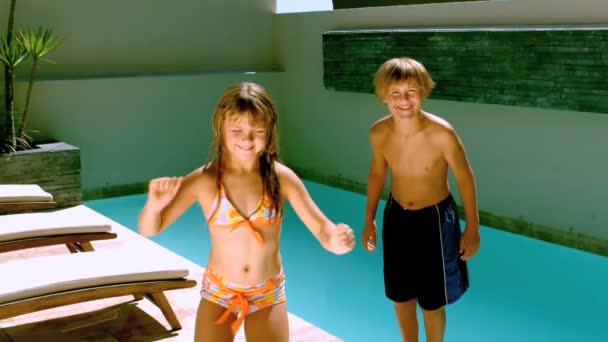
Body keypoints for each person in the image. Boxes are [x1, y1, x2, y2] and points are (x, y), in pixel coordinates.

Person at [138, 82, 355, 342]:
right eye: (237, 129)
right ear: (221, 128)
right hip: (220, 292)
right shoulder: (205, 181)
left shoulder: (281, 178)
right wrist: (154, 205)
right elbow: (150, 228)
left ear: (269, 131)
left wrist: (337, 241)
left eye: (257, 130)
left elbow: (322, 228)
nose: (247, 139)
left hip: (267, 293)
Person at [361, 57, 480, 342]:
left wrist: (473, 229)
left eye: (411, 92)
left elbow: (465, 177)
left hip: (435, 220)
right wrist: (369, 220)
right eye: (395, 94)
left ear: (423, 91)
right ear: (383, 97)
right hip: (397, 216)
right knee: (401, 296)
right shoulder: (379, 133)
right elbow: (377, 174)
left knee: (431, 300)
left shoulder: (442, 133)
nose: (404, 100)